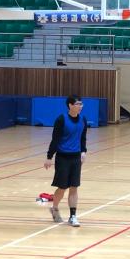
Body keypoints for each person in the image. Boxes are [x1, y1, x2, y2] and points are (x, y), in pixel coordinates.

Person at [43, 95, 88, 227]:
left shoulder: (83, 120)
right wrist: (49, 157)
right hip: (63, 157)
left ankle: (73, 216)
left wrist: (83, 151)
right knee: (62, 188)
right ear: (70, 105)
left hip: (76, 158)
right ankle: (55, 208)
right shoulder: (61, 119)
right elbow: (55, 139)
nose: (80, 106)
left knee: (74, 187)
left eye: (81, 104)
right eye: (78, 104)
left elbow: (83, 137)